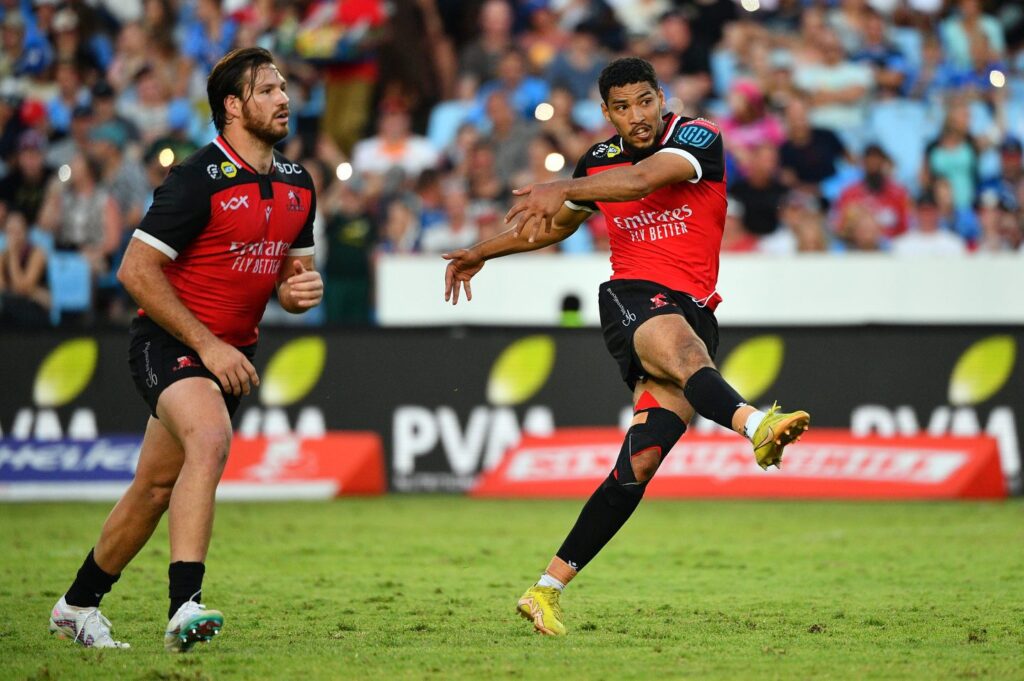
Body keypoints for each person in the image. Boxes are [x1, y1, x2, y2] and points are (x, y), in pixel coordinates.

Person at [442, 57, 810, 636]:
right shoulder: (598, 161)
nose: (637, 115)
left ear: (661, 97)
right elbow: (555, 225)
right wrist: (480, 251)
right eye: (622, 107)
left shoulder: (698, 137)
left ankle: (545, 590)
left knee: (641, 461)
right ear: (607, 112)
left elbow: (642, 180)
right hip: (632, 297)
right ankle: (756, 425)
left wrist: (564, 186)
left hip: (694, 308)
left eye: (644, 101)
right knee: (688, 359)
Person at [47, 47, 322, 652]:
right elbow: (135, 269)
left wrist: (297, 292)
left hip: (231, 354)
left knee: (153, 490)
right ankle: (184, 608)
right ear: (233, 106)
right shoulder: (198, 178)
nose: (284, 99)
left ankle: (77, 605)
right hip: (170, 341)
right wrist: (208, 346)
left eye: (283, 88)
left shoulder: (299, 183)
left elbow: (290, 279)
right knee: (211, 438)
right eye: (268, 90)